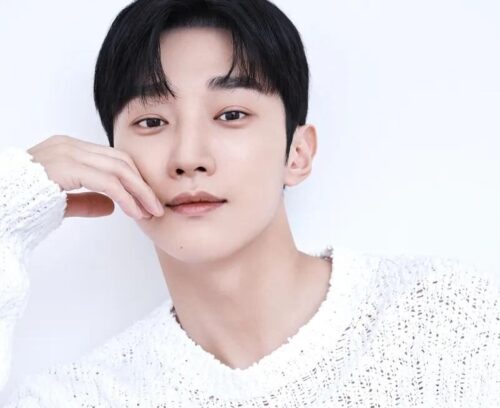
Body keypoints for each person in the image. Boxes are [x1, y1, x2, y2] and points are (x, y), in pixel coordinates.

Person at [0, 0, 498, 406]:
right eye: (152, 122)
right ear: (111, 160)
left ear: (297, 153)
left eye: (231, 114)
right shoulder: (75, 397)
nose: (188, 158)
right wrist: (8, 213)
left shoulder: (449, 321)